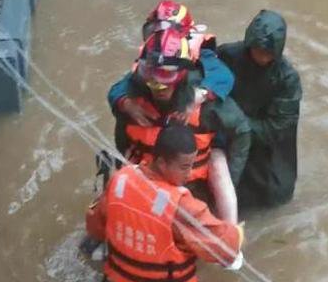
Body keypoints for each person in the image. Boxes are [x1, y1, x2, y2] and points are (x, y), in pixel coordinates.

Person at [86, 124, 244, 282]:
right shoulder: (182, 207)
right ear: (161, 162)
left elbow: (95, 227)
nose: (189, 174)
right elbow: (227, 249)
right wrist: (238, 233)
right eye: (184, 167)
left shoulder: (119, 180)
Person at [107, 24, 250, 223]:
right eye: (152, 76)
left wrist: (231, 179)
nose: (159, 86)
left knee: (218, 168)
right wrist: (124, 104)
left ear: (182, 74)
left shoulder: (205, 103)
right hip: (146, 182)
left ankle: (230, 234)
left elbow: (242, 131)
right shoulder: (130, 99)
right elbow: (122, 139)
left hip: (194, 186)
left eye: (166, 76)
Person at [217, 10, 302, 207]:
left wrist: (236, 123)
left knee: (273, 196)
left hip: (263, 146)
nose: (262, 57)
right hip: (226, 130)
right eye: (258, 50)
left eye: (268, 53)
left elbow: (277, 128)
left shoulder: (287, 80)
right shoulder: (227, 55)